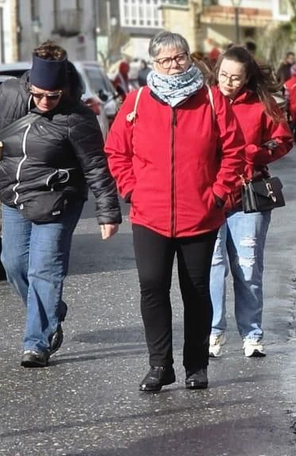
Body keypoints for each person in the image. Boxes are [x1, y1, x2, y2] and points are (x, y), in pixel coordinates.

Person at [0, 42, 120, 368]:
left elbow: (97, 167)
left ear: (64, 91)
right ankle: (51, 309)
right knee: (12, 264)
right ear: (29, 84)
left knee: (44, 270)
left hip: (58, 199)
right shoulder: (9, 95)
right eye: (39, 94)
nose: (44, 102)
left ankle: (37, 343)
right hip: (14, 195)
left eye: (52, 97)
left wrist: (107, 212)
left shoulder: (78, 117)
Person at [105, 31, 247, 393]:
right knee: (152, 286)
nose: (174, 65)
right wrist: (131, 189)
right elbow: (116, 151)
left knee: (197, 291)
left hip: (199, 213)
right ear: (154, 64)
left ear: (190, 58)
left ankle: (196, 365)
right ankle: (159, 365)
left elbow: (234, 151)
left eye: (180, 57)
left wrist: (218, 193)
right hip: (150, 215)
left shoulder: (212, 100)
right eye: (166, 60)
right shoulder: (137, 100)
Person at [208, 46, 293, 360]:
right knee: (212, 267)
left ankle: (252, 335)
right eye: (224, 76)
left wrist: (257, 152)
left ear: (247, 78)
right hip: (211, 197)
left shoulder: (262, 104)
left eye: (236, 78)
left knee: (248, 267)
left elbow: (283, 140)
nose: (229, 83)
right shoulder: (204, 102)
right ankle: (214, 332)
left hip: (249, 194)